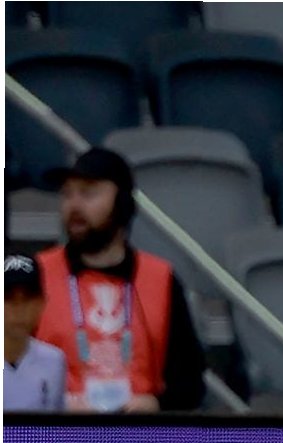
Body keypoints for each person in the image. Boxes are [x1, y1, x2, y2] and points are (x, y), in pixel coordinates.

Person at [35, 147, 206, 412]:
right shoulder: (36, 274)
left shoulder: (161, 279)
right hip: (55, 431)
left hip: (142, 431)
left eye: (88, 193)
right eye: (67, 194)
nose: (74, 205)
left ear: (123, 203)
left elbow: (190, 382)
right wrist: (56, 404)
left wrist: (157, 404)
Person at [4, 253, 66, 411]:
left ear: (42, 303)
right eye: (8, 299)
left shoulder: (54, 361)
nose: (19, 310)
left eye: (28, 299)